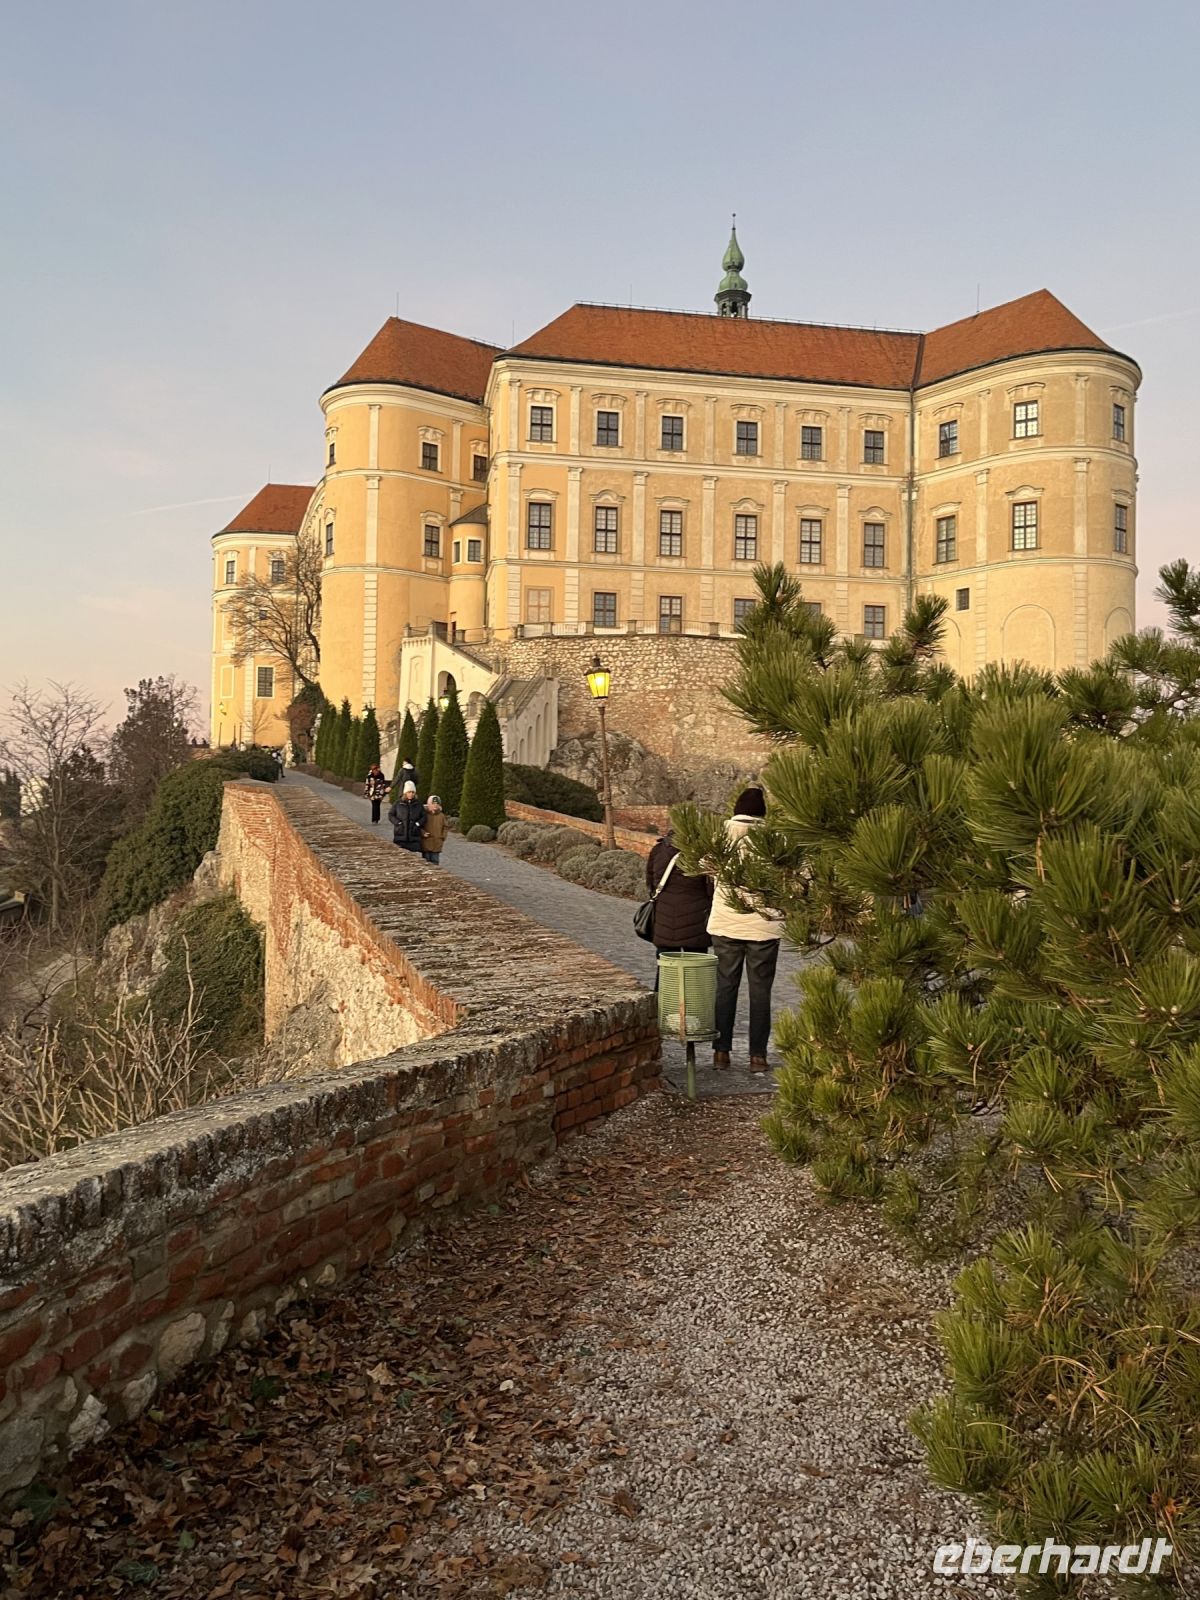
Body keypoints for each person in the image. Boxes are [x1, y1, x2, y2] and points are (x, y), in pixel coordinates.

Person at [707, 787, 784, 1073]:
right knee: (760, 992)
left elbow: (705, 867)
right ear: (763, 812)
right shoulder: (775, 839)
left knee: (725, 987)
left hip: (726, 923)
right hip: (764, 926)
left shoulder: (721, 836)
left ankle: (721, 1052)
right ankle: (758, 1057)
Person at [645, 829, 713, 989]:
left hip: (665, 919)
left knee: (665, 970)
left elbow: (651, 881)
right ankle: (694, 1009)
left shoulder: (658, 850)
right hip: (695, 921)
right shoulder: (701, 853)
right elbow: (711, 888)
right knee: (696, 973)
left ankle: (662, 1007)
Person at [388, 781, 425, 853]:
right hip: (400, 836)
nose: (411, 794)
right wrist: (398, 823)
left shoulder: (418, 804)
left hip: (414, 836)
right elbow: (391, 814)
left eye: (412, 792)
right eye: (409, 792)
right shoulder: (398, 803)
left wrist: (417, 824)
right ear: (405, 793)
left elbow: (424, 816)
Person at [421, 794, 448, 865]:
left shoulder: (441, 816)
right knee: (426, 862)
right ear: (429, 804)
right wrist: (423, 833)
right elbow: (419, 826)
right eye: (433, 804)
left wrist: (443, 836)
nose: (435, 805)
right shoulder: (424, 814)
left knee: (435, 862)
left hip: (437, 843)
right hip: (426, 842)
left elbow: (445, 827)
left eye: (437, 804)